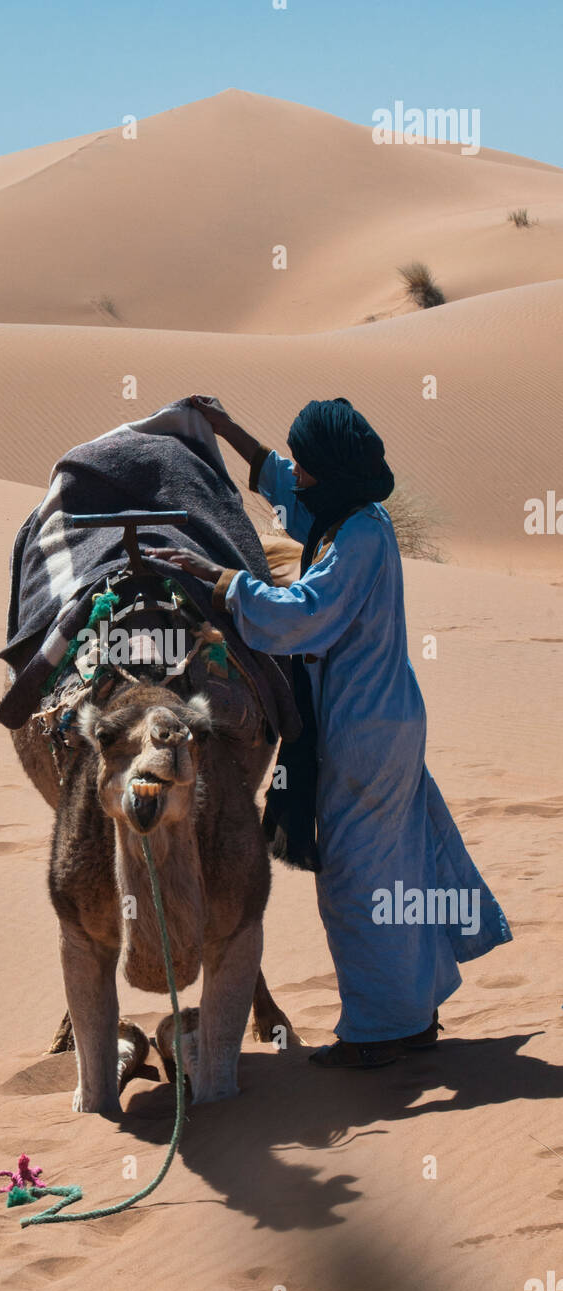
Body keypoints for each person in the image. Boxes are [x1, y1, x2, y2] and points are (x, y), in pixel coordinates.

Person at [145, 395, 512, 1068]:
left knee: (355, 880)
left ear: (331, 470)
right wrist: (223, 427)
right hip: (378, 722)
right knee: (397, 867)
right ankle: (411, 1005)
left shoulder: (359, 537)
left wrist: (219, 580)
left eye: (308, 463)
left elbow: (304, 614)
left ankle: (384, 1030)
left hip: (362, 730)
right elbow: (279, 478)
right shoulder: (343, 512)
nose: (299, 475)